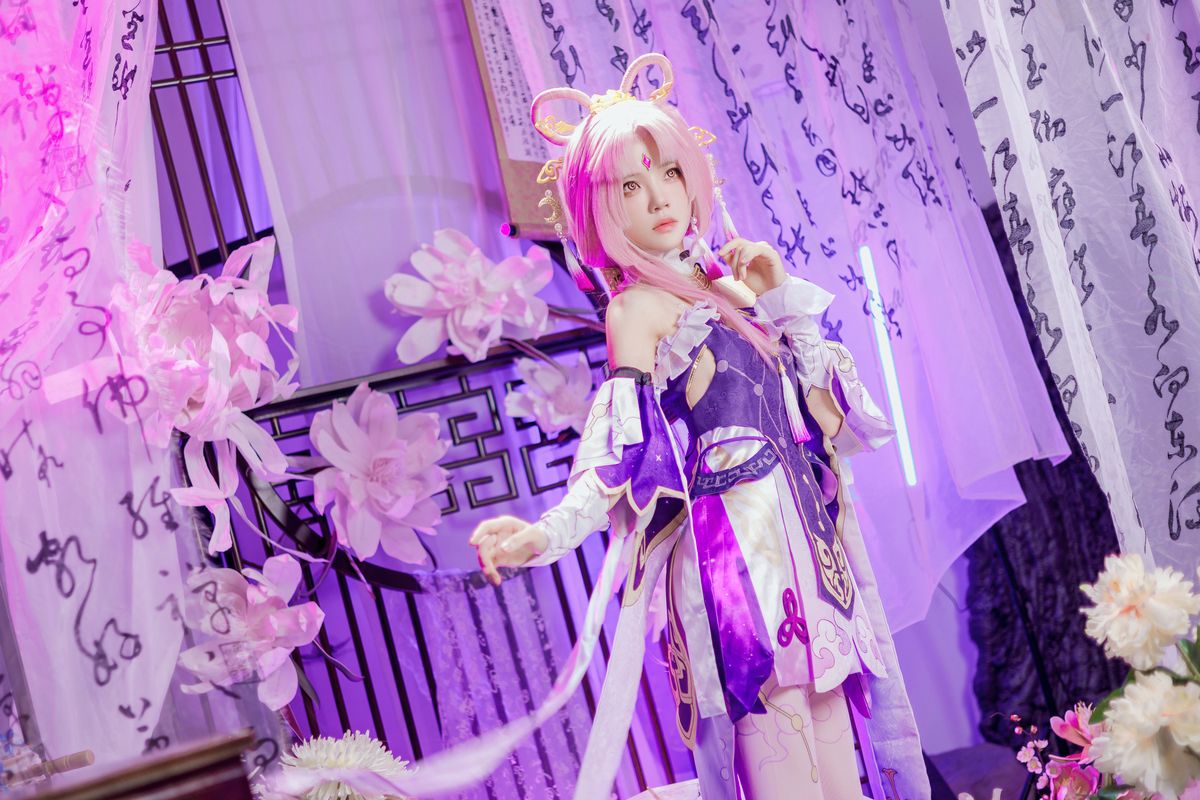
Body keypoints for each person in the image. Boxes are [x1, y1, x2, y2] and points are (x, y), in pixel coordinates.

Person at [465, 54, 931, 800]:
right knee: (785, 768)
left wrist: (782, 300)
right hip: (736, 561)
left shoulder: (733, 286)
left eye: (670, 173)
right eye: (629, 186)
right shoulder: (635, 310)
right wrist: (541, 535)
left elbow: (833, 420)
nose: (659, 197)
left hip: (808, 546)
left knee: (843, 776)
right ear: (600, 210)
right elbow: (617, 451)